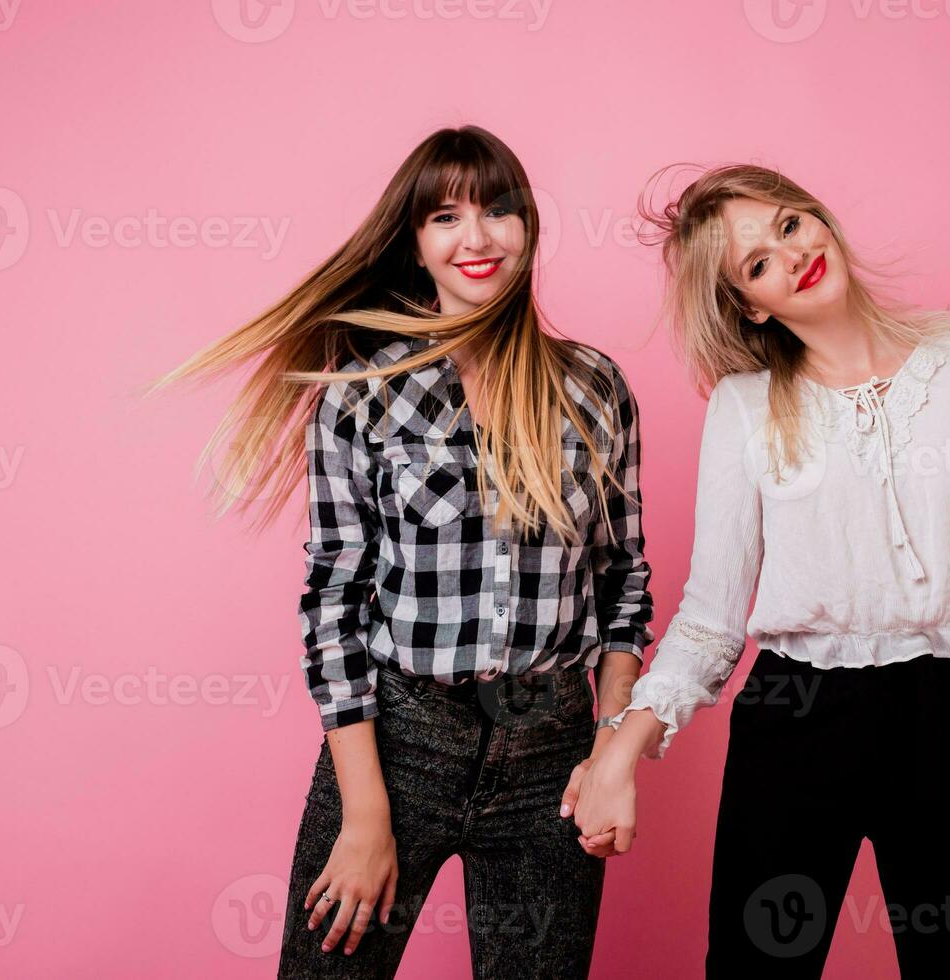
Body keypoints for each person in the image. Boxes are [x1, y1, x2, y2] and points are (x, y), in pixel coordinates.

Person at [152, 125, 653, 979]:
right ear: (416, 246)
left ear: (529, 225)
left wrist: (611, 754)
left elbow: (624, 585)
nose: (478, 237)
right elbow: (332, 601)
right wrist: (365, 814)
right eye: (445, 217)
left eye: (499, 209)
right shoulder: (364, 393)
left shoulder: (593, 386)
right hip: (399, 743)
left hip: (551, 762)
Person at [566, 164, 950, 978]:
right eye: (758, 264)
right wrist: (619, 754)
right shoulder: (743, 406)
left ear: (818, 218)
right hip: (796, 714)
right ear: (750, 305)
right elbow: (711, 617)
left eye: (788, 225)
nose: (790, 253)